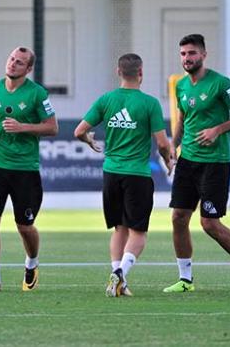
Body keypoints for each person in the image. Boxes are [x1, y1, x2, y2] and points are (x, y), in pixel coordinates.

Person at [163, 34, 230, 294]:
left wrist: (218, 129)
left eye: (192, 53)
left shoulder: (220, 83)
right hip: (188, 161)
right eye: (183, 54)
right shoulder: (181, 86)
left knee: (209, 223)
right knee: (178, 217)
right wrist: (174, 145)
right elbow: (182, 119)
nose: (187, 58)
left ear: (204, 55)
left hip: (215, 163)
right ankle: (185, 279)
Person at [74, 53, 173, 297]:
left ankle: (117, 277)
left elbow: (79, 131)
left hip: (111, 173)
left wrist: (89, 141)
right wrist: (168, 159)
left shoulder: (106, 100)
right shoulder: (149, 104)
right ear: (141, 72)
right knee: (138, 233)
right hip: (137, 174)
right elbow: (161, 142)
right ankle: (120, 274)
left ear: (118, 72)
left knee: (120, 229)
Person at [0, 46, 58, 293]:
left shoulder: (36, 93)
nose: (12, 64)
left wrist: (23, 127)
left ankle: (32, 262)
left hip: (25, 169)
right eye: (11, 59)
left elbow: (52, 127)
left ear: (29, 69)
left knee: (24, 226)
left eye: (19, 62)